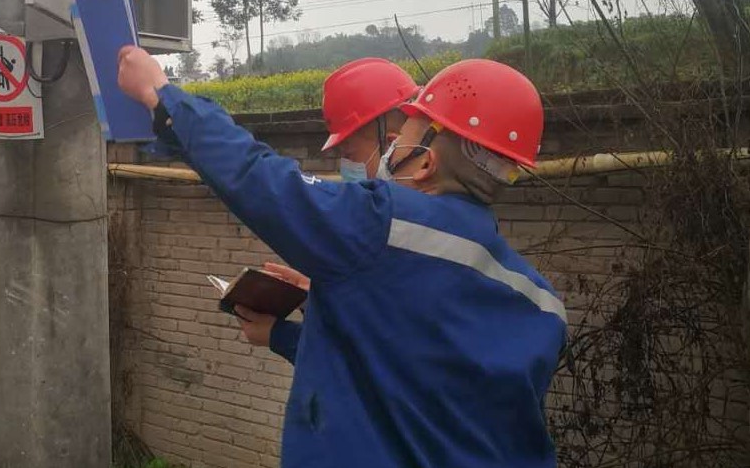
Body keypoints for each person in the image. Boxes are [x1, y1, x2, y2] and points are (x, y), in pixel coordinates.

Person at [118, 48, 566, 467]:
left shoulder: (384, 223)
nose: (391, 149)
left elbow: (260, 178)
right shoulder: (543, 306)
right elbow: (410, 385)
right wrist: (303, 320)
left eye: (406, 134)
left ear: (427, 161)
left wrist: (163, 96)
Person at [240, 58, 419, 364]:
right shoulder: (417, 220)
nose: (346, 168)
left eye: (349, 154)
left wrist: (278, 336)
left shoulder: (404, 235)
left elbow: (374, 365)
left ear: (393, 145)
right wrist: (313, 298)